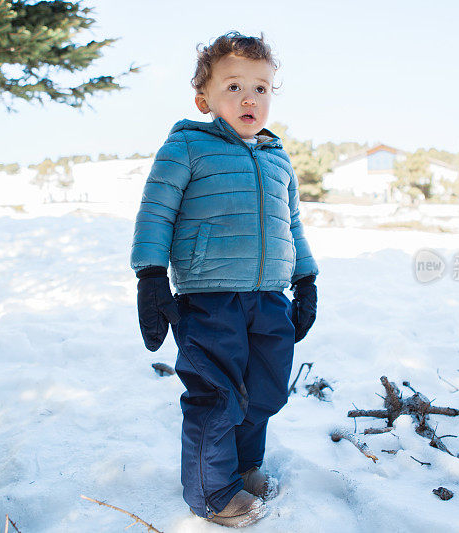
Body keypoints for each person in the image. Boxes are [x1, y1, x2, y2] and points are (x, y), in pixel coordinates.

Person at [130, 31, 318, 528]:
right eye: (233, 87)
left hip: (269, 297)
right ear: (204, 99)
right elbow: (156, 212)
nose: (249, 98)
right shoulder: (187, 147)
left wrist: (306, 279)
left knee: (265, 391)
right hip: (208, 298)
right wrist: (150, 276)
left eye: (261, 87)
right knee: (217, 395)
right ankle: (213, 493)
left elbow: (292, 223)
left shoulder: (278, 158)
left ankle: (243, 466)